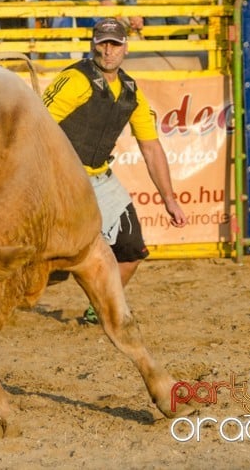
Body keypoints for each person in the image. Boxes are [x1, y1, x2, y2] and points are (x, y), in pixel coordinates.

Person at [41, 18, 185, 323]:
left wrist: (169, 199)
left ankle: (99, 310)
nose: (108, 51)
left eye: (114, 44)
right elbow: (38, 124)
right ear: (94, 45)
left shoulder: (131, 91)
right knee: (55, 261)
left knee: (132, 251)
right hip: (63, 177)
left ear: (125, 48)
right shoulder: (76, 80)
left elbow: (151, 147)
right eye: (103, 44)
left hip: (98, 177)